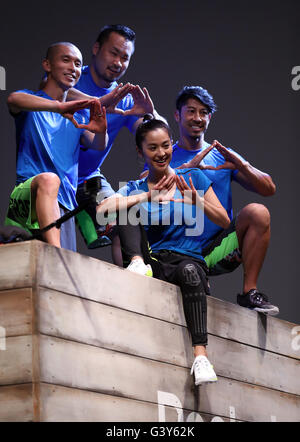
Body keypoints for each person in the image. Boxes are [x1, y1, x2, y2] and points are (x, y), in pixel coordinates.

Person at [96, 115, 230, 385]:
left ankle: (201, 357)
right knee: (124, 204)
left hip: (187, 261)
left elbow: (224, 220)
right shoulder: (135, 187)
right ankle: (135, 262)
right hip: (154, 264)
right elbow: (102, 211)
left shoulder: (191, 177)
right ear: (140, 151)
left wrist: (196, 200)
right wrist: (148, 195)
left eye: (166, 145)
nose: (161, 153)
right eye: (153, 148)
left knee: (191, 272)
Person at [161, 85, 279, 315]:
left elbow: (269, 189)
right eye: (191, 111)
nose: (197, 118)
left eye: (203, 112)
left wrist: (242, 165)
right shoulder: (164, 155)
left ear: (209, 117)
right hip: (176, 252)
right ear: (177, 115)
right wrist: (186, 169)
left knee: (258, 212)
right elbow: (147, 193)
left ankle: (249, 294)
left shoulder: (221, 155)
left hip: (214, 250)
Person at [65, 24, 164, 251]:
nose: (118, 62)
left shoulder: (125, 98)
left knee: (126, 219)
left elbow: (153, 134)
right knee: (55, 242)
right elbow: (55, 91)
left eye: (125, 57)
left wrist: (151, 112)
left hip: (87, 179)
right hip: (55, 175)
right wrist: (100, 103)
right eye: (113, 53)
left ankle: (133, 274)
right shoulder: (72, 76)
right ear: (96, 48)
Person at [5, 42, 108, 251]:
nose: (73, 68)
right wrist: (60, 106)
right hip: (29, 196)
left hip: (64, 204)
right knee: (49, 180)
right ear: (47, 65)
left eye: (78, 64)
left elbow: (98, 144)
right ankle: (56, 254)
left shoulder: (77, 117)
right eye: (66, 60)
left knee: (57, 281)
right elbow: (13, 99)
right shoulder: (30, 101)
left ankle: (57, 256)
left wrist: (101, 129)